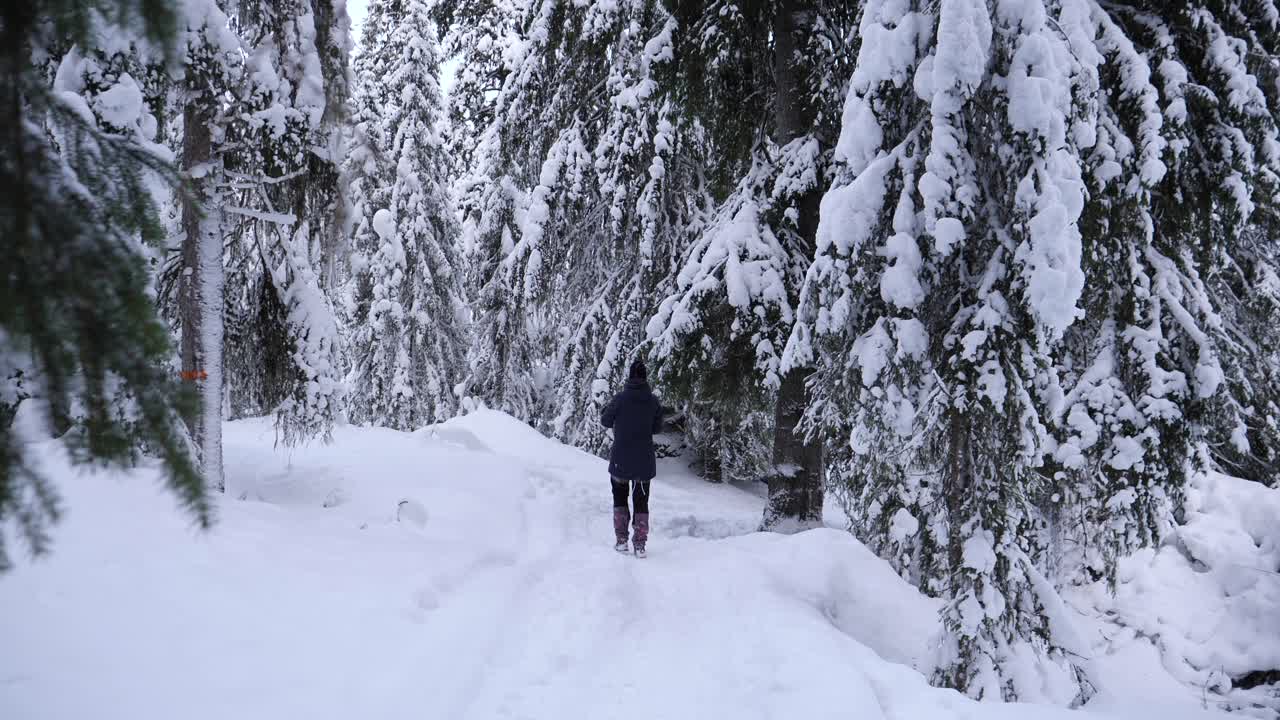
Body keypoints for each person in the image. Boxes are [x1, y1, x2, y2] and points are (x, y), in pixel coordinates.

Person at [601, 359, 663, 558]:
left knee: (620, 498)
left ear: (629, 376)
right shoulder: (653, 401)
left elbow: (605, 420)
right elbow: (657, 428)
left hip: (621, 459)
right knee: (641, 501)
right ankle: (640, 545)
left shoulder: (620, 399)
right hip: (644, 461)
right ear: (645, 377)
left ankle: (621, 541)